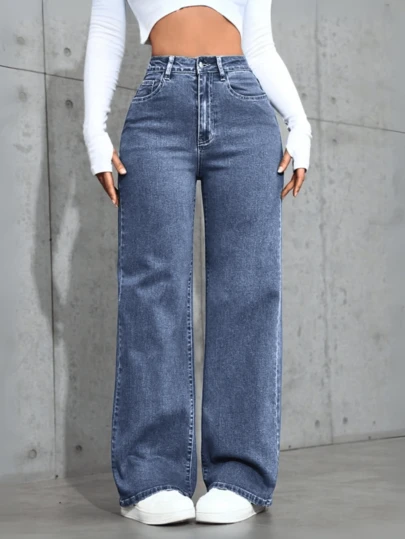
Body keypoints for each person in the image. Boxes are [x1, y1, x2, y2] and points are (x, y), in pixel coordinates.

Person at [83, 0, 311, 527]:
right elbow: (105, 31)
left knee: (248, 290)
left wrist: (299, 124)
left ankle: (240, 476)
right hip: (157, 108)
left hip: (244, 104)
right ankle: (151, 476)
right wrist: (95, 132)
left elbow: (258, 43)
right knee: (152, 291)